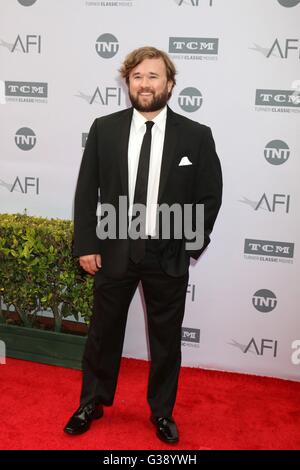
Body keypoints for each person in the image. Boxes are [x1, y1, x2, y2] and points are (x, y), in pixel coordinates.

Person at [64, 46, 222, 444]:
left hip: (167, 252)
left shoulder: (196, 135)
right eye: (137, 77)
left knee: (167, 339)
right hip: (115, 246)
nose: (145, 84)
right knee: (102, 333)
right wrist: (87, 243)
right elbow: (87, 192)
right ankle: (92, 402)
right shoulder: (105, 128)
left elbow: (209, 196)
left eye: (153, 76)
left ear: (169, 83)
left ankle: (163, 412)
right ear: (127, 83)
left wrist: (188, 246)